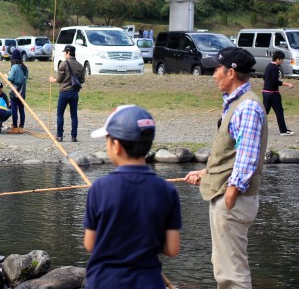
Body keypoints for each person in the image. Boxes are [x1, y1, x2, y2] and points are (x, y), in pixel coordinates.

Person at [185, 47, 267, 288]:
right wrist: (207, 173)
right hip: (227, 195)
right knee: (224, 269)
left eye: (217, 69)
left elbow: (248, 155)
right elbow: (233, 153)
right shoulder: (237, 103)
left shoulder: (247, 107)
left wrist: (231, 193)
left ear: (231, 73)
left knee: (232, 274)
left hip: (233, 199)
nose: (213, 74)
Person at [85, 105, 181, 288]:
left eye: (107, 139)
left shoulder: (99, 188)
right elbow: (172, 248)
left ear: (116, 145)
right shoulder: (168, 191)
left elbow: (90, 244)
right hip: (149, 282)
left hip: (104, 282)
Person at [48, 45, 85, 142]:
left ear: (68, 52)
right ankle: (74, 136)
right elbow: (82, 80)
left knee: (60, 114)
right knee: (74, 115)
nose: (64, 53)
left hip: (64, 92)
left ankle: (59, 136)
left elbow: (59, 79)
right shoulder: (80, 65)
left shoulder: (63, 64)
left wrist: (52, 80)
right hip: (74, 93)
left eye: (65, 52)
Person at [263, 50, 294, 136]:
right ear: (278, 59)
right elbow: (275, 82)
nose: (282, 61)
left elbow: (265, 78)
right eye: (282, 60)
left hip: (265, 92)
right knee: (279, 111)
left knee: (264, 112)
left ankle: (255, 127)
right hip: (273, 94)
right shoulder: (275, 68)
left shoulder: (268, 66)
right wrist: (287, 84)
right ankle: (283, 131)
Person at [7, 49, 28, 129]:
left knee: (14, 109)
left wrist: (7, 76)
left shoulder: (14, 67)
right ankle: (21, 125)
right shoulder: (25, 68)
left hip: (14, 91)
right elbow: (25, 79)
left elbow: (11, 78)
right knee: (21, 109)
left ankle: (15, 125)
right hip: (22, 92)